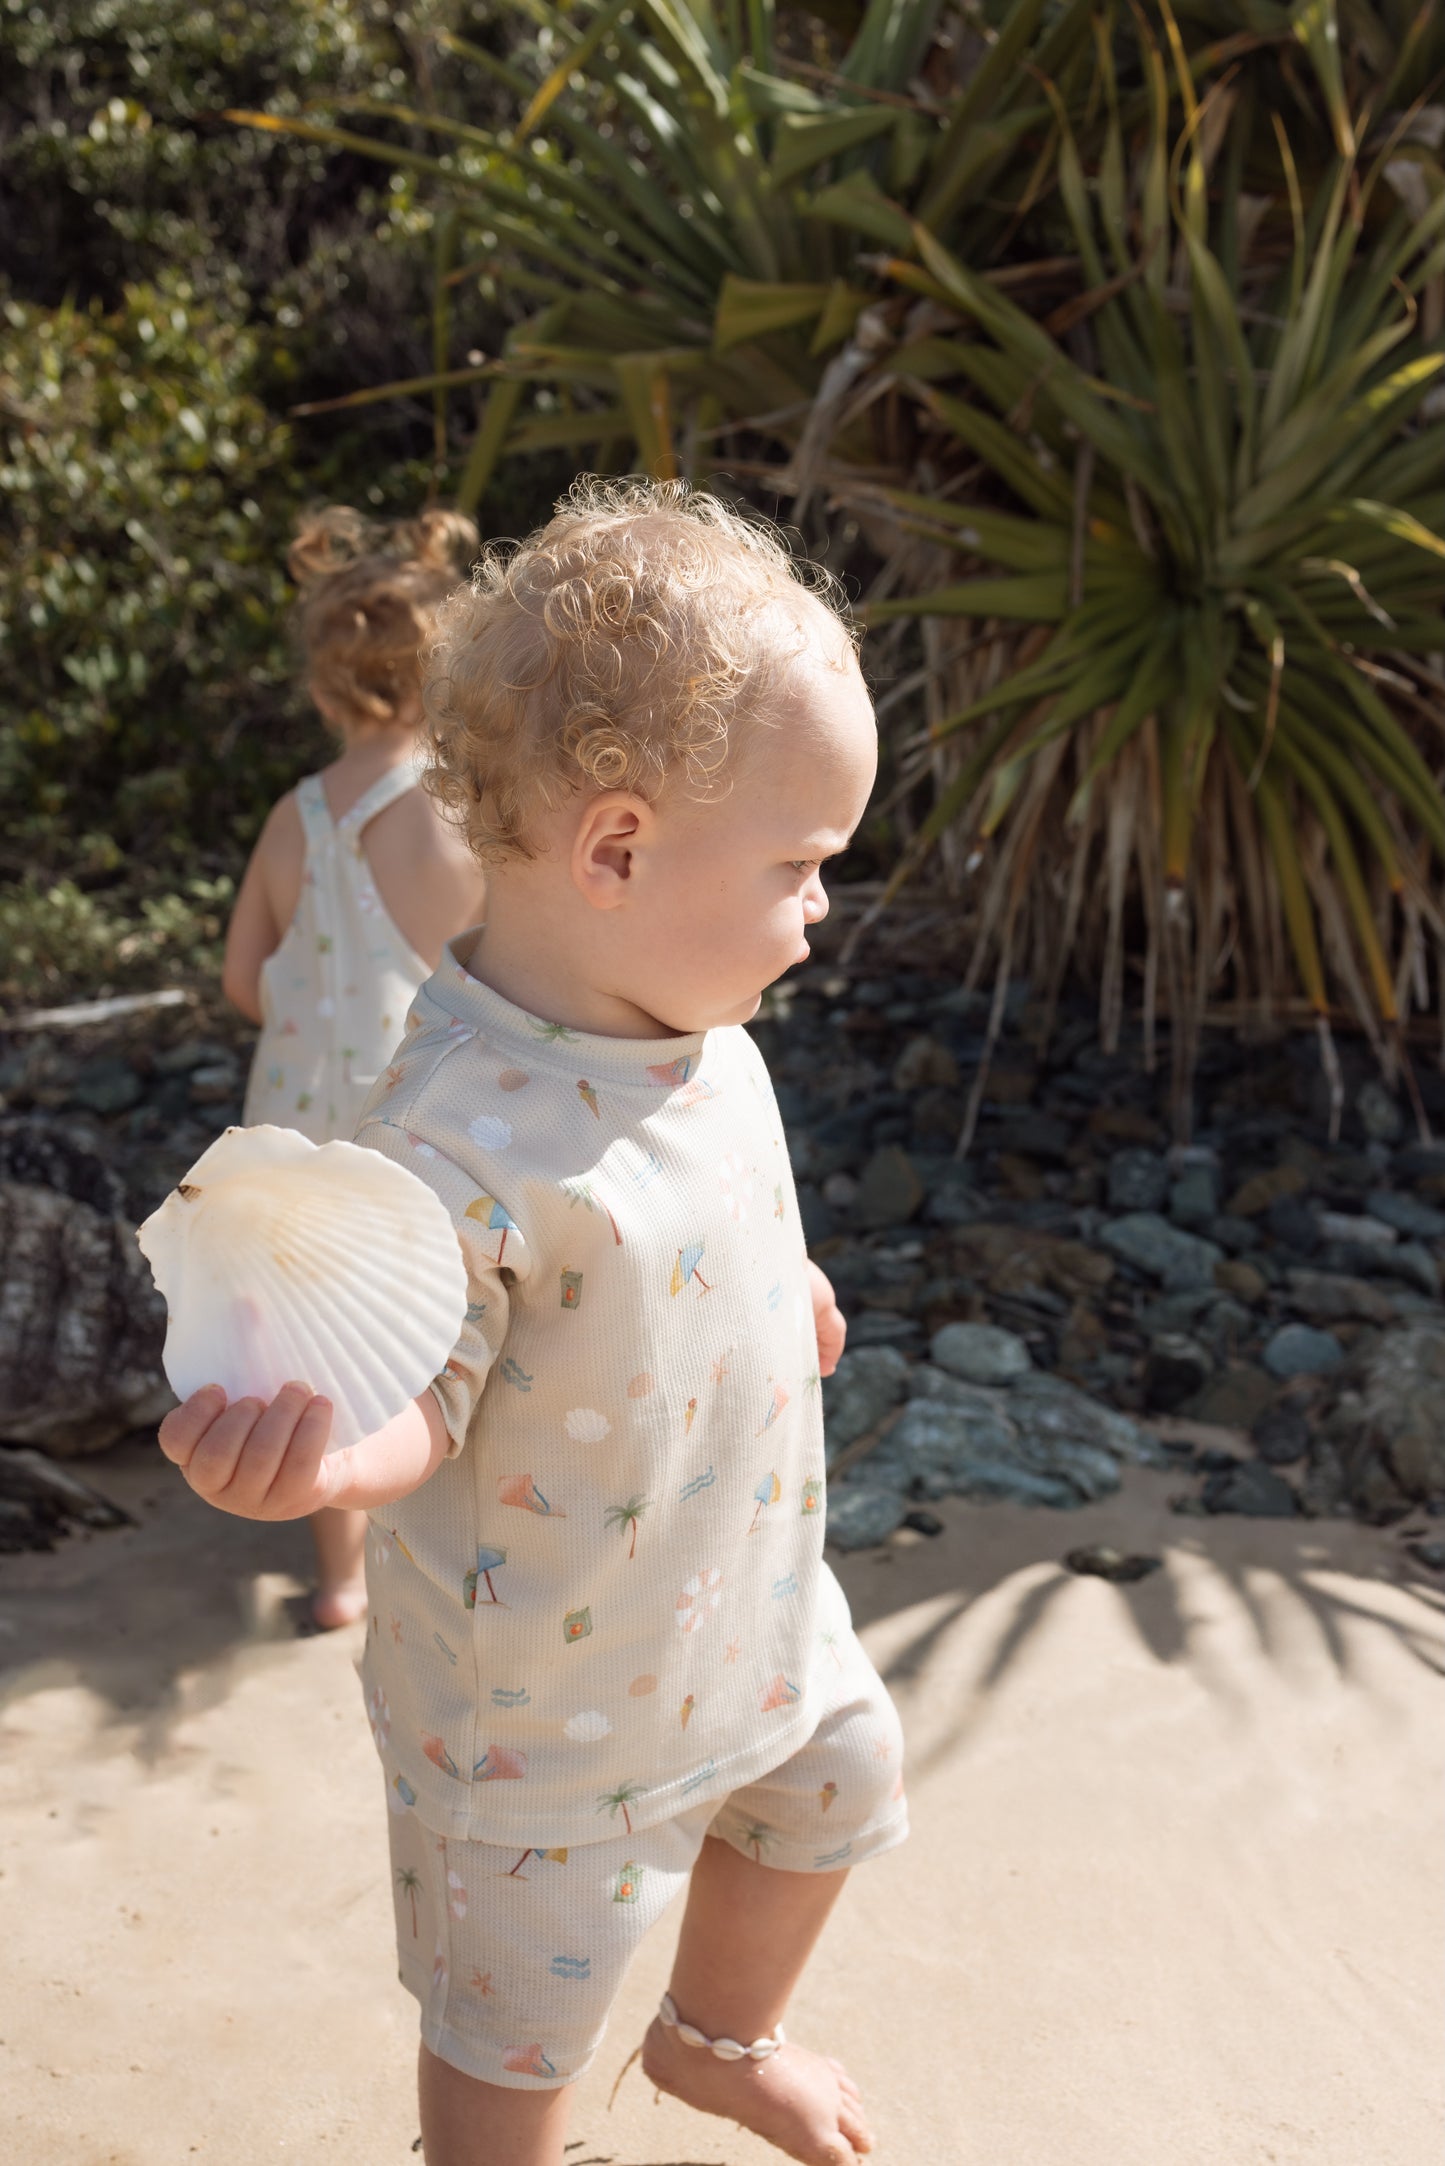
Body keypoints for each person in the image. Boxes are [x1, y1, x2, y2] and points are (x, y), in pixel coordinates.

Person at [161, 478, 905, 2166]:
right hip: (545, 1711)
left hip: (746, 1609)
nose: (820, 906)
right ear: (618, 847)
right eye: (799, 864)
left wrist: (774, 1301)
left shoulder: (703, 1038)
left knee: (839, 1783)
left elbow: (693, 1230)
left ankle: (721, 2035)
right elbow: (424, 1383)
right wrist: (322, 1456)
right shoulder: (450, 1137)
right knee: (516, 2019)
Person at [221, 505, 488, 1629]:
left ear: (329, 687)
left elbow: (244, 977)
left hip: (292, 1133)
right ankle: (446, 1542)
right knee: (439, 1329)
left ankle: (339, 1582)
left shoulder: (293, 818)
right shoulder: (451, 810)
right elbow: (498, 975)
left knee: (313, 1346)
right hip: (415, 1125)